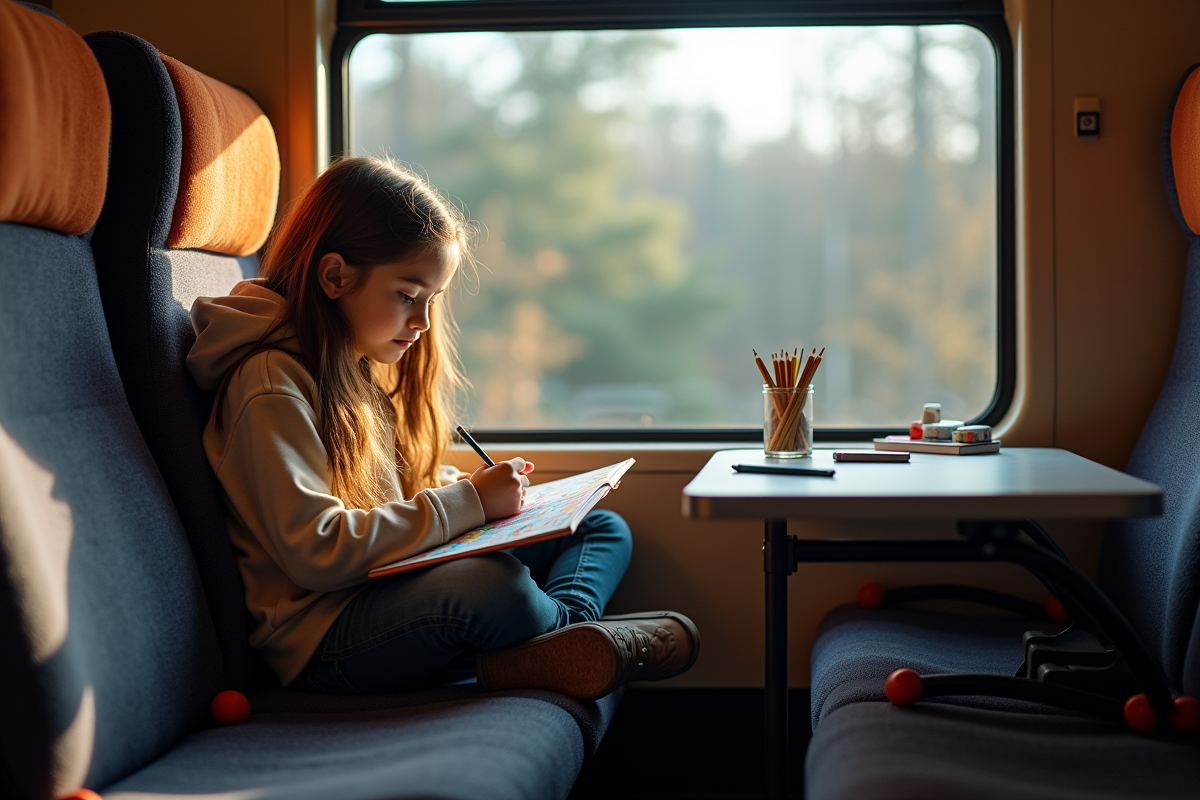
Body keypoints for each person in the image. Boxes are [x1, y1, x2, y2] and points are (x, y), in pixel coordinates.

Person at [187, 155, 698, 698]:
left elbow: (388, 495)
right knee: (492, 585)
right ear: (335, 276)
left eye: (431, 300)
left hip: (386, 582)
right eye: (407, 296)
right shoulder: (270, 385)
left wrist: (468, 492)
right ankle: (575, 640)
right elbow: (317, 550)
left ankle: (561, 643)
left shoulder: (347, 365)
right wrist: (468, 504)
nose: (423, 322)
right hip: (326, 635)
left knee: (599, 526)